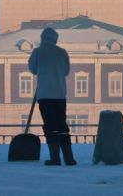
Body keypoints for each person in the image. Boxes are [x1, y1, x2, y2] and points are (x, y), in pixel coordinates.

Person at [28, 27, 75, 166]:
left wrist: (44, 71)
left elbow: (33, 69)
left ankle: (55, 158)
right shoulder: (62, 52)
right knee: (62, 126)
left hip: (45, 95)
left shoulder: (38, 52)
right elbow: (66, 72)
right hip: (60, 95)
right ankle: (69, 158)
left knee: (50, 126)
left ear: (43, 38)